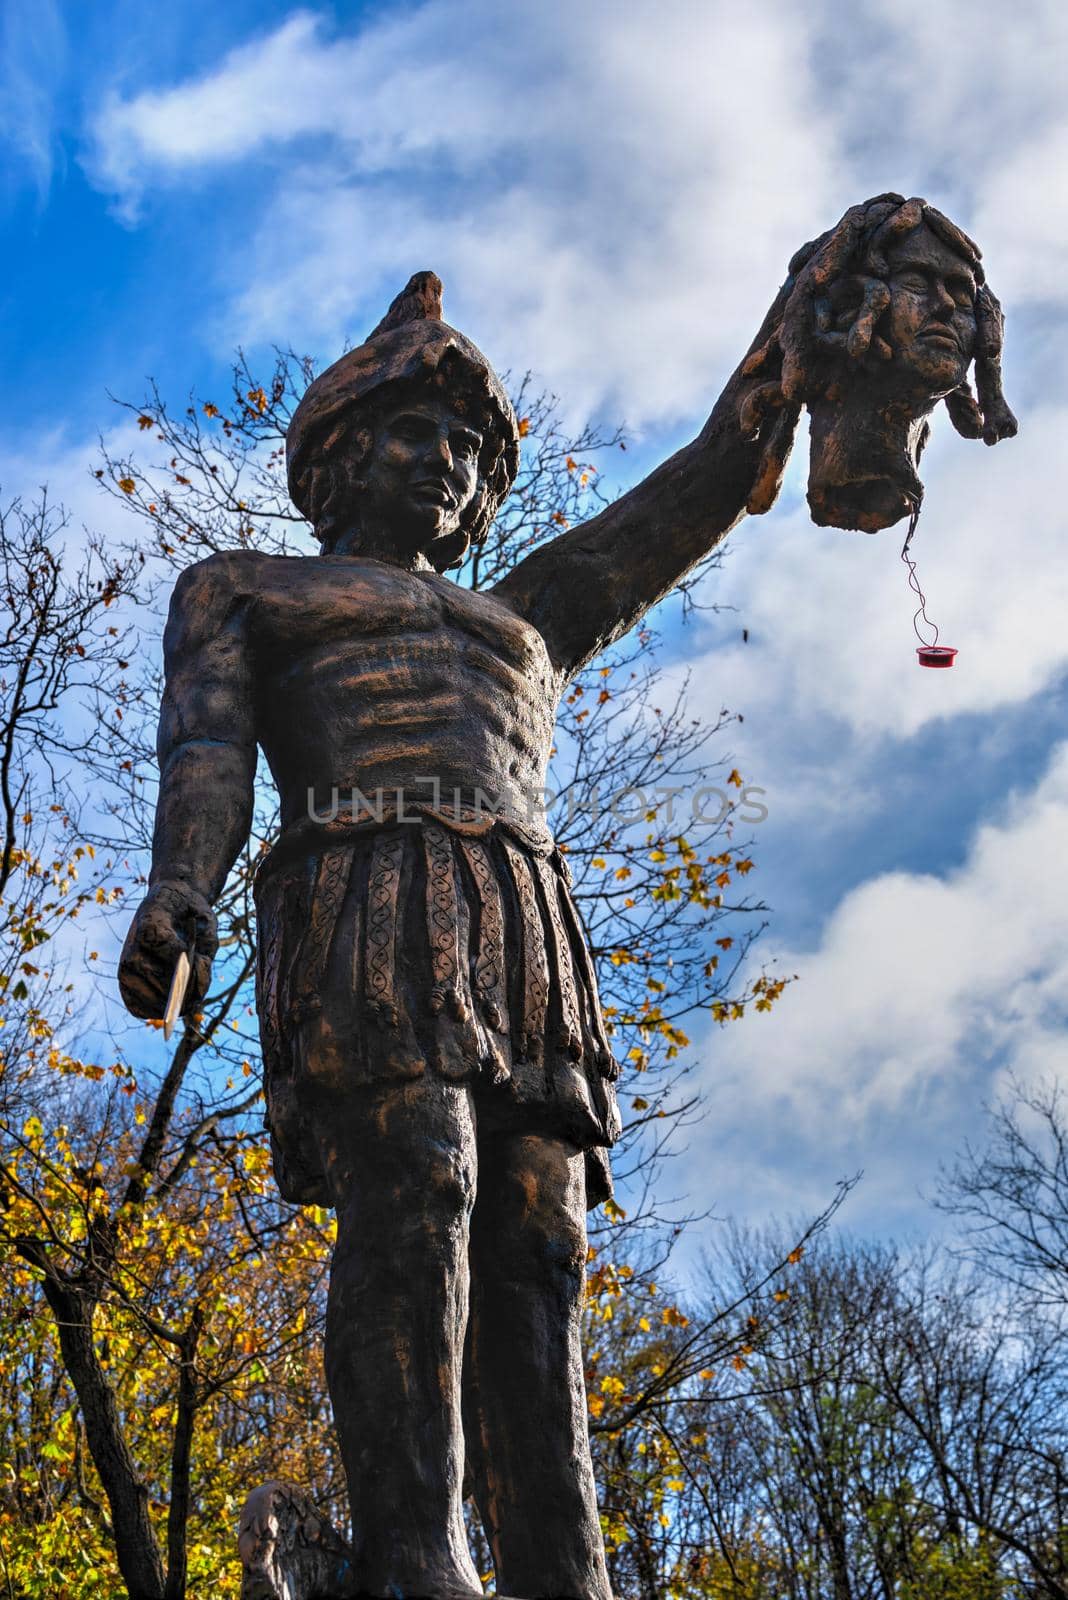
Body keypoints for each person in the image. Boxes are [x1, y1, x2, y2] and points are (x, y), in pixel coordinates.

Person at [118, 197, 1014, 1600]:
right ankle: (417, 1556)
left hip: (516, 921)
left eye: (467, 449)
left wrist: (803, 330)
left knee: (540, 1237)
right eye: (413, 432)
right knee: (419, 1179)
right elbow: (207, 749)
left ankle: (563, 1570)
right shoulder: (250, 591)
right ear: (336, 462)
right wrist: (180, 891)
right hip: (360, 892)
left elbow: (702, 484)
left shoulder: (526, 617)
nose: (444, 460)